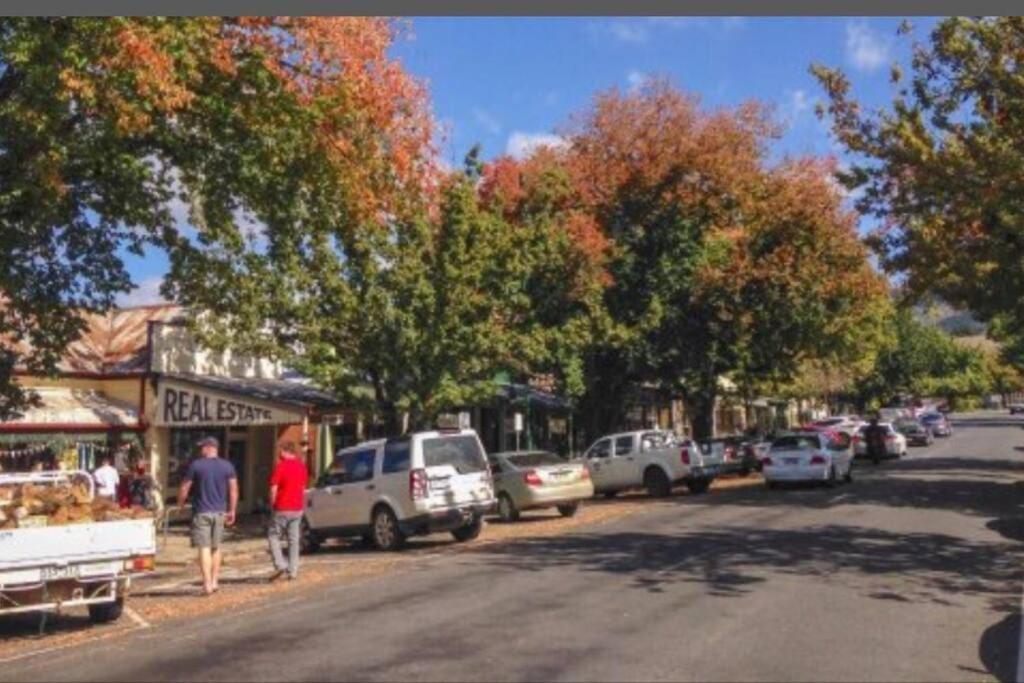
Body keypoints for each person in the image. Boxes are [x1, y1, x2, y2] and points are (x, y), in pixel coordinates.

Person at [177, 436, 238, 596]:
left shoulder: (196, 465)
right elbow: (233, 490)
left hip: (202, 512)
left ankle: (207, 584)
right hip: (220, 512)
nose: (200, 450)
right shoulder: (227, 466)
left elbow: (185, 488)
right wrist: (232, 510)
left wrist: (180, 505)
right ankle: (215, 580)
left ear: (209, 447)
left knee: (204, 547)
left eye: (202, 447)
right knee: (216, 547)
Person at [267, 442, 309, 582]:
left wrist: (272, 504)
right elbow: (303, 487)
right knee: (294, 540)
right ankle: (293, 570)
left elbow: (274, 488)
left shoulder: (280, 467)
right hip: (297, 507)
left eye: (280, 451)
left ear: (285, 451)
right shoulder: (302, 467)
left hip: (282, 507)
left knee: (273, 536)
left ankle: (280, 564)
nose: (278, 454)